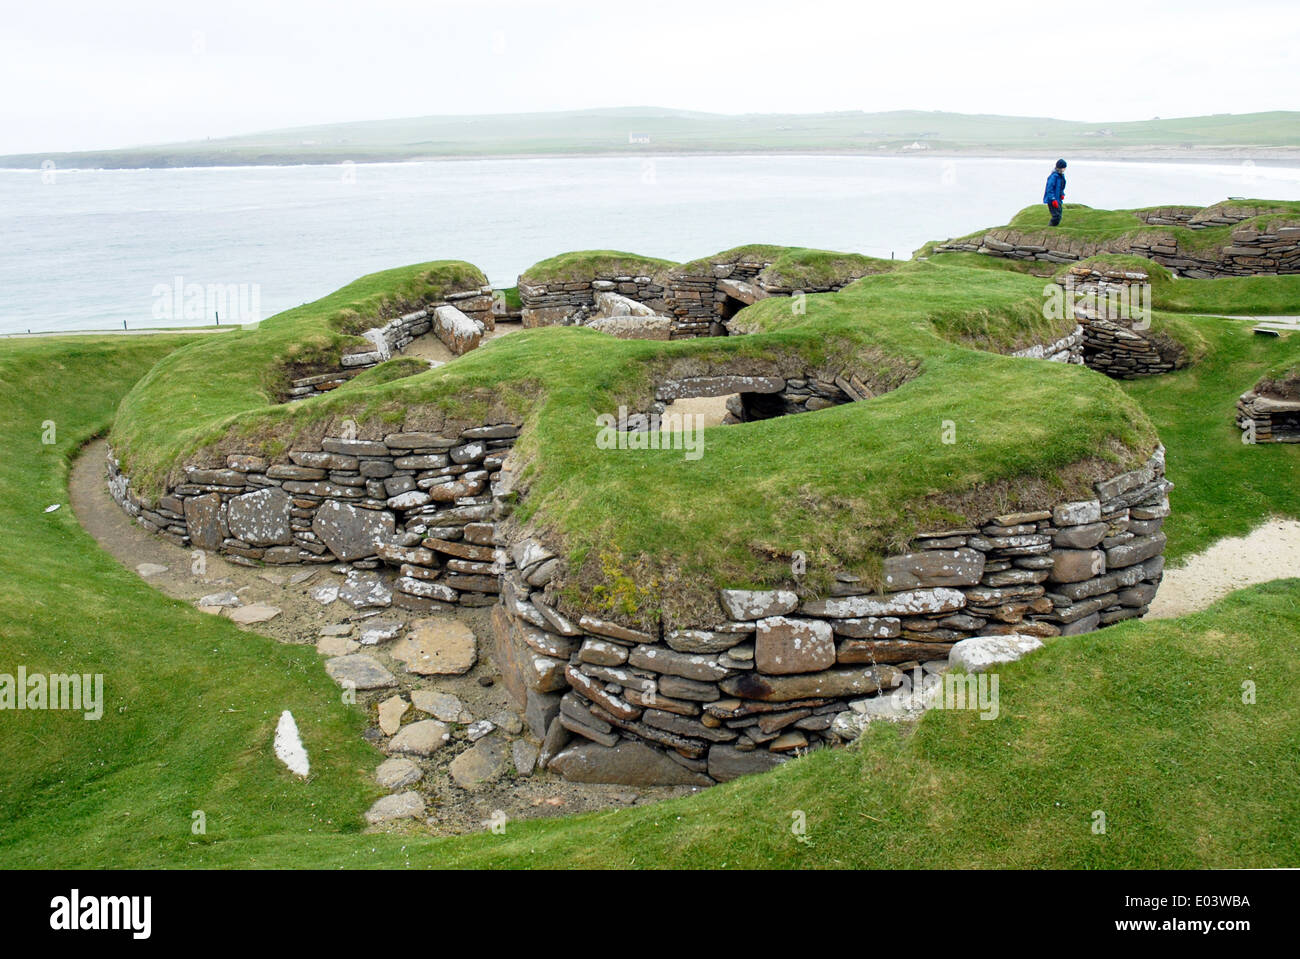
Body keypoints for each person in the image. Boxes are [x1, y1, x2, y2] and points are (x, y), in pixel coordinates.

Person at [1044, 159, 1067, 226]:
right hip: (1052, 199)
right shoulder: (1053, 177)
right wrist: (1053, 199)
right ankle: (1049, 228)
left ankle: (1052, 228)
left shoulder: (1061, 176)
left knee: (1059, 215)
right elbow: (1049, 189)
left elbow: (1061, 187)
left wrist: (1062, 194)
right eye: (1064, 167)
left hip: (1058, 199)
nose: (1065, 169)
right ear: (1060, 167)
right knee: (1056, 216)